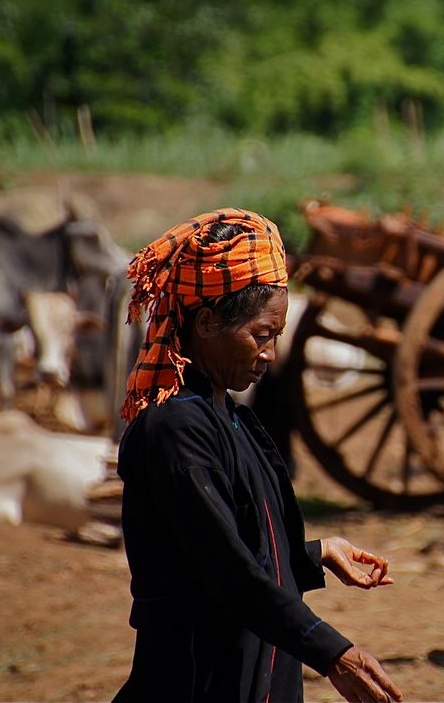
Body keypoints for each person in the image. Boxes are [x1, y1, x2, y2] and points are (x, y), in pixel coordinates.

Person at [113, 208, 402, 703]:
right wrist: (334, 653)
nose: (269, 353)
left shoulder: (231, 420)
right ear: (205, 322)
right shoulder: (177, 430)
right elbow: (226, 571)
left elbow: (233, 551)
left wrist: (313, 555)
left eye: (275, 337)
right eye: (260, 335)